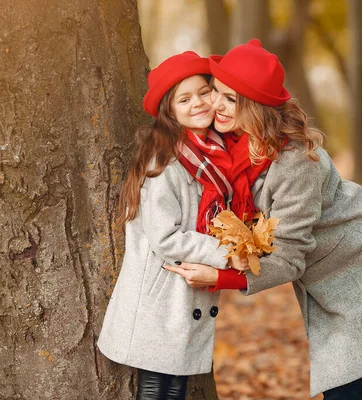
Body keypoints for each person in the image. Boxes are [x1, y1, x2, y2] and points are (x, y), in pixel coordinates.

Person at [164, 39, 362, 399]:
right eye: (217, 92)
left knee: (348, 385)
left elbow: (289, 255)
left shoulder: (294, 163)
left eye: (231, 99)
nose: (216, 104)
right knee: (347, 380)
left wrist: (221, 277)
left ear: (256, 107)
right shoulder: (232, 142)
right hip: (325, 270)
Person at [97, 51, 263, 399]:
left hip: (184, 292)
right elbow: (165, 237)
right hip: (160, 295)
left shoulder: (213, 153)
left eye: (204, 92)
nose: (199, 103)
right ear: (170, 111)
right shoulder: (165, 162)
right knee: (159, 387)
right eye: (185, 99)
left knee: (177, 387)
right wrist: (226, 253)